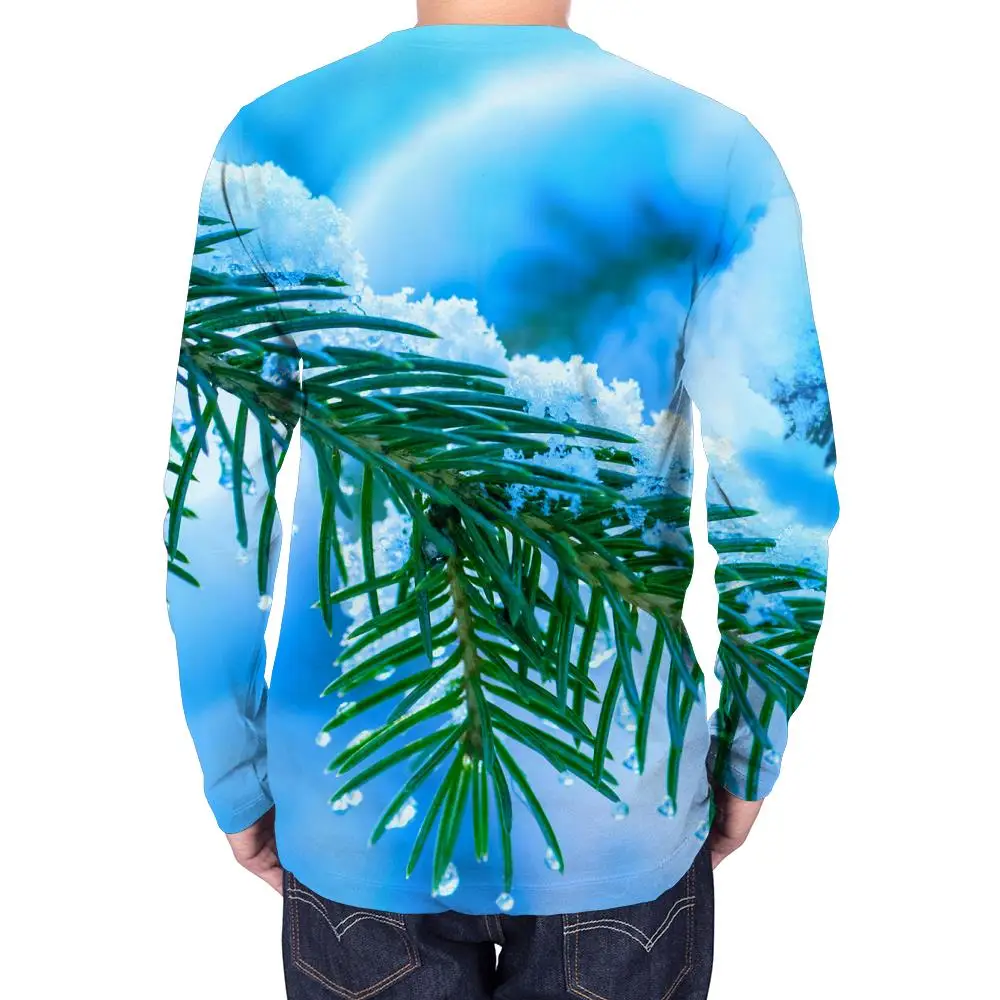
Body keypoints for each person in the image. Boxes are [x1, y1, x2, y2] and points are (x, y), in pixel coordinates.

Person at [163, 0, 839, 996]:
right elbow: (780, 494)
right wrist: (749, 746)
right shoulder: (714, 153)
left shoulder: (272, 137)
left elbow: (213, 501)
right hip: (625, 806)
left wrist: (235, 764)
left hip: (357, 797)